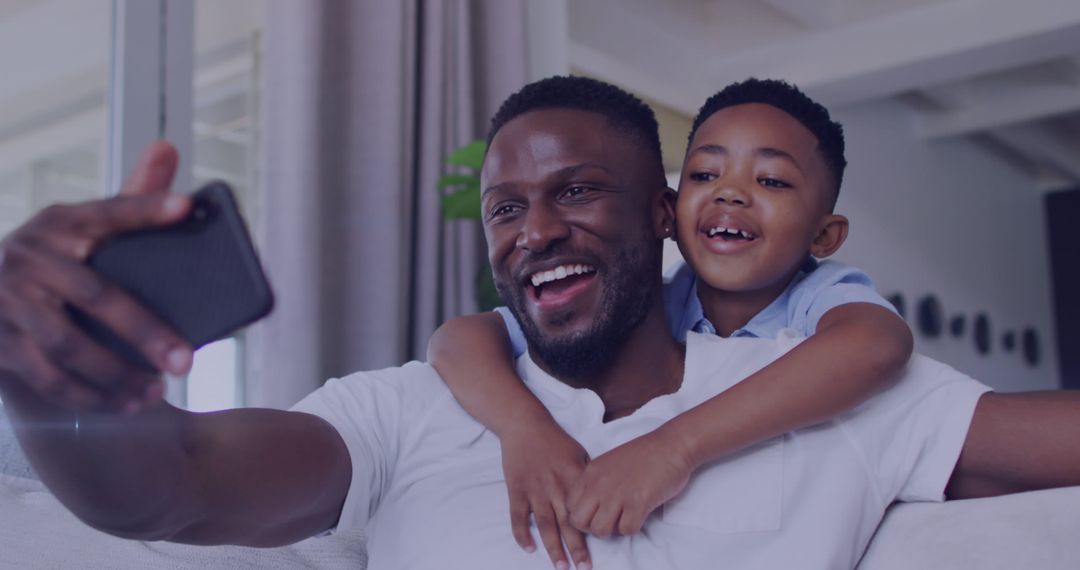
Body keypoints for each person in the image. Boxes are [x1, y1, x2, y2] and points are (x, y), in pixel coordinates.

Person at [0, 76, 1077, 569]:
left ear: (663, 214)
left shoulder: (810, 380)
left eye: (578, 193)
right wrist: (59, 390)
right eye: (506, 209)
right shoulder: (419, 406)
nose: (533, 231)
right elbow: (178, 490)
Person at [427, 77, 913, 567]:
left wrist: (674, 449)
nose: (731, 194)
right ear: (670, 212)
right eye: (704, 176)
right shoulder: (658, 304)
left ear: (825, 236)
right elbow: (459, 338)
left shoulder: (816, 293)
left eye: (770, 180)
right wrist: (524, 430)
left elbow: (875, 345)